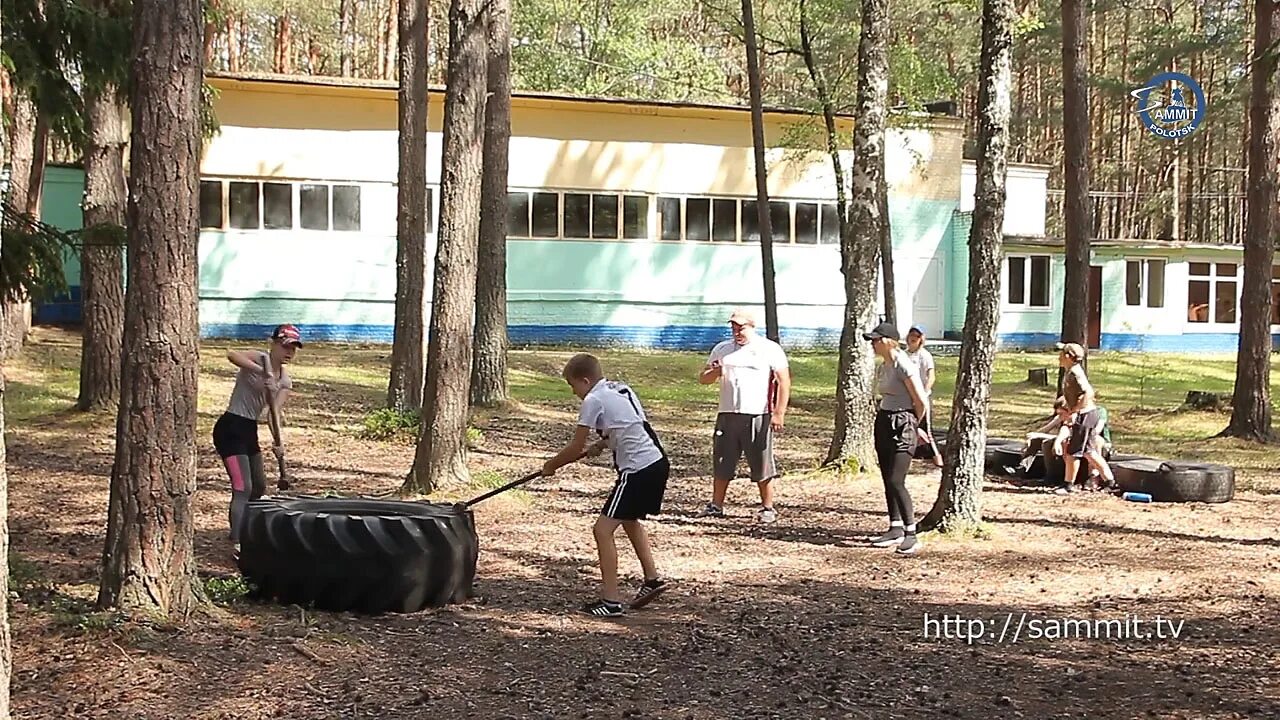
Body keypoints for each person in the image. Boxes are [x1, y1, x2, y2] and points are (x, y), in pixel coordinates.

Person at [543, 353, 670, 618]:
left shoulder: (593, 399)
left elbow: (575, 445)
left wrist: (552, 465)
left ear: (585, 380)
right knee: (629, 520)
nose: (574, 392)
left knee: (602, 530)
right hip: (656, 462)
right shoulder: (621, 389)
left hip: (637, 469)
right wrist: (601, 444)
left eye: (573, 386)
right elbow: (630, 424)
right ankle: (652, 580)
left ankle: (611, 601)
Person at [213, 324, 302, 559]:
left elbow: (272, 414)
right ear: (273, 343)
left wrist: (278, 444)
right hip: (230, 427)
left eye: (293, 348)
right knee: (243, 487)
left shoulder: (285, 381)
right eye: (285, 346)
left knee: (259, 487)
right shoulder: (259, 358)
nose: (289, 352)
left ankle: (247, 528)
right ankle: (238, 541)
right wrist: (261, 372)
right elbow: (232, 355)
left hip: (249, 429)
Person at [696, 308, 791, 523]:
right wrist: (714, 372)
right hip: (728, 413)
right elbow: (704, 379)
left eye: (742, 327)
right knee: (722, 459)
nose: (737, 331)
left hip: (758, 412)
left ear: (752, 326)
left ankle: (767, 507)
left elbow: (784, 381)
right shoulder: (722, 349)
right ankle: (716, 505)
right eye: (734, 327)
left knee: (761, 461)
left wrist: (779, 412)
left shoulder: (768, 349)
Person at [864, 322, 929, 555]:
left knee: (896, 479)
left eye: (874, 340)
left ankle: (911, 533)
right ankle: (895, 527)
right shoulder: (885, 366)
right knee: (886, 476)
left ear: (886, 341)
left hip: (903, 423)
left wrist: (913, 423)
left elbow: (921, 400)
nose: (872, 344)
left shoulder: (903, 363)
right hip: (884, 420)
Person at [1055, 342, 1115, 494]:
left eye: (1061, 353)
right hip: (1086, 414)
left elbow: (1089, 392)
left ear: (1068, 357)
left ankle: (1068, 485)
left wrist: (1076, 410)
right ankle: (1110, 481)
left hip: (1086, 415)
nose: (1059, 356)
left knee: (1072, 452)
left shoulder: (1076, 372)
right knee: (1089, 452)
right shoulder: (1071, 371)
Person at [905, 325, 944, 468]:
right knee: (908, 427)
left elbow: (931, 377)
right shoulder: (904, 355)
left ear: (921, 339)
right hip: (907, 397)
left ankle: (937, 458)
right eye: (911, 335)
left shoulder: (925, 355)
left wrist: (923, 393)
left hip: (922, 397)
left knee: (926, 430)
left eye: (917, 336)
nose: (913, 338)